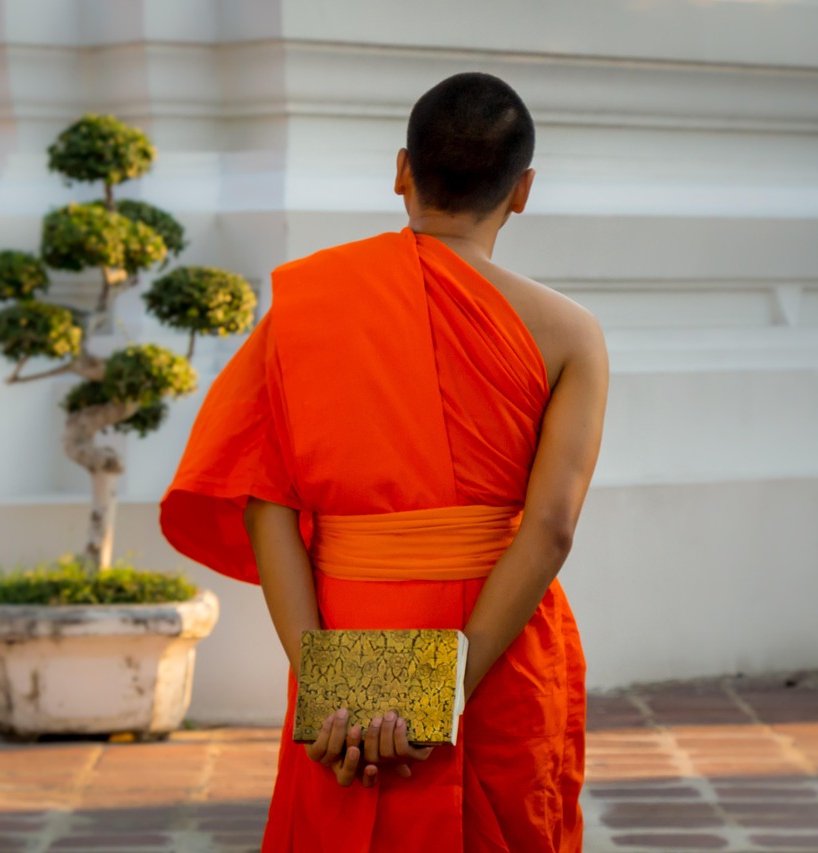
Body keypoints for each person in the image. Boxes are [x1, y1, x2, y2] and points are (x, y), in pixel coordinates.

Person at [160, 71, 608, 853]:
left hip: (345, 624)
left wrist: (329, 688)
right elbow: (551, 528)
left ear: (402, 170)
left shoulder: (310, 307)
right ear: (523, 190)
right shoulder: (570, 333)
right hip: (495, 643)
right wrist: (443, 691)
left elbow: (265, 503)